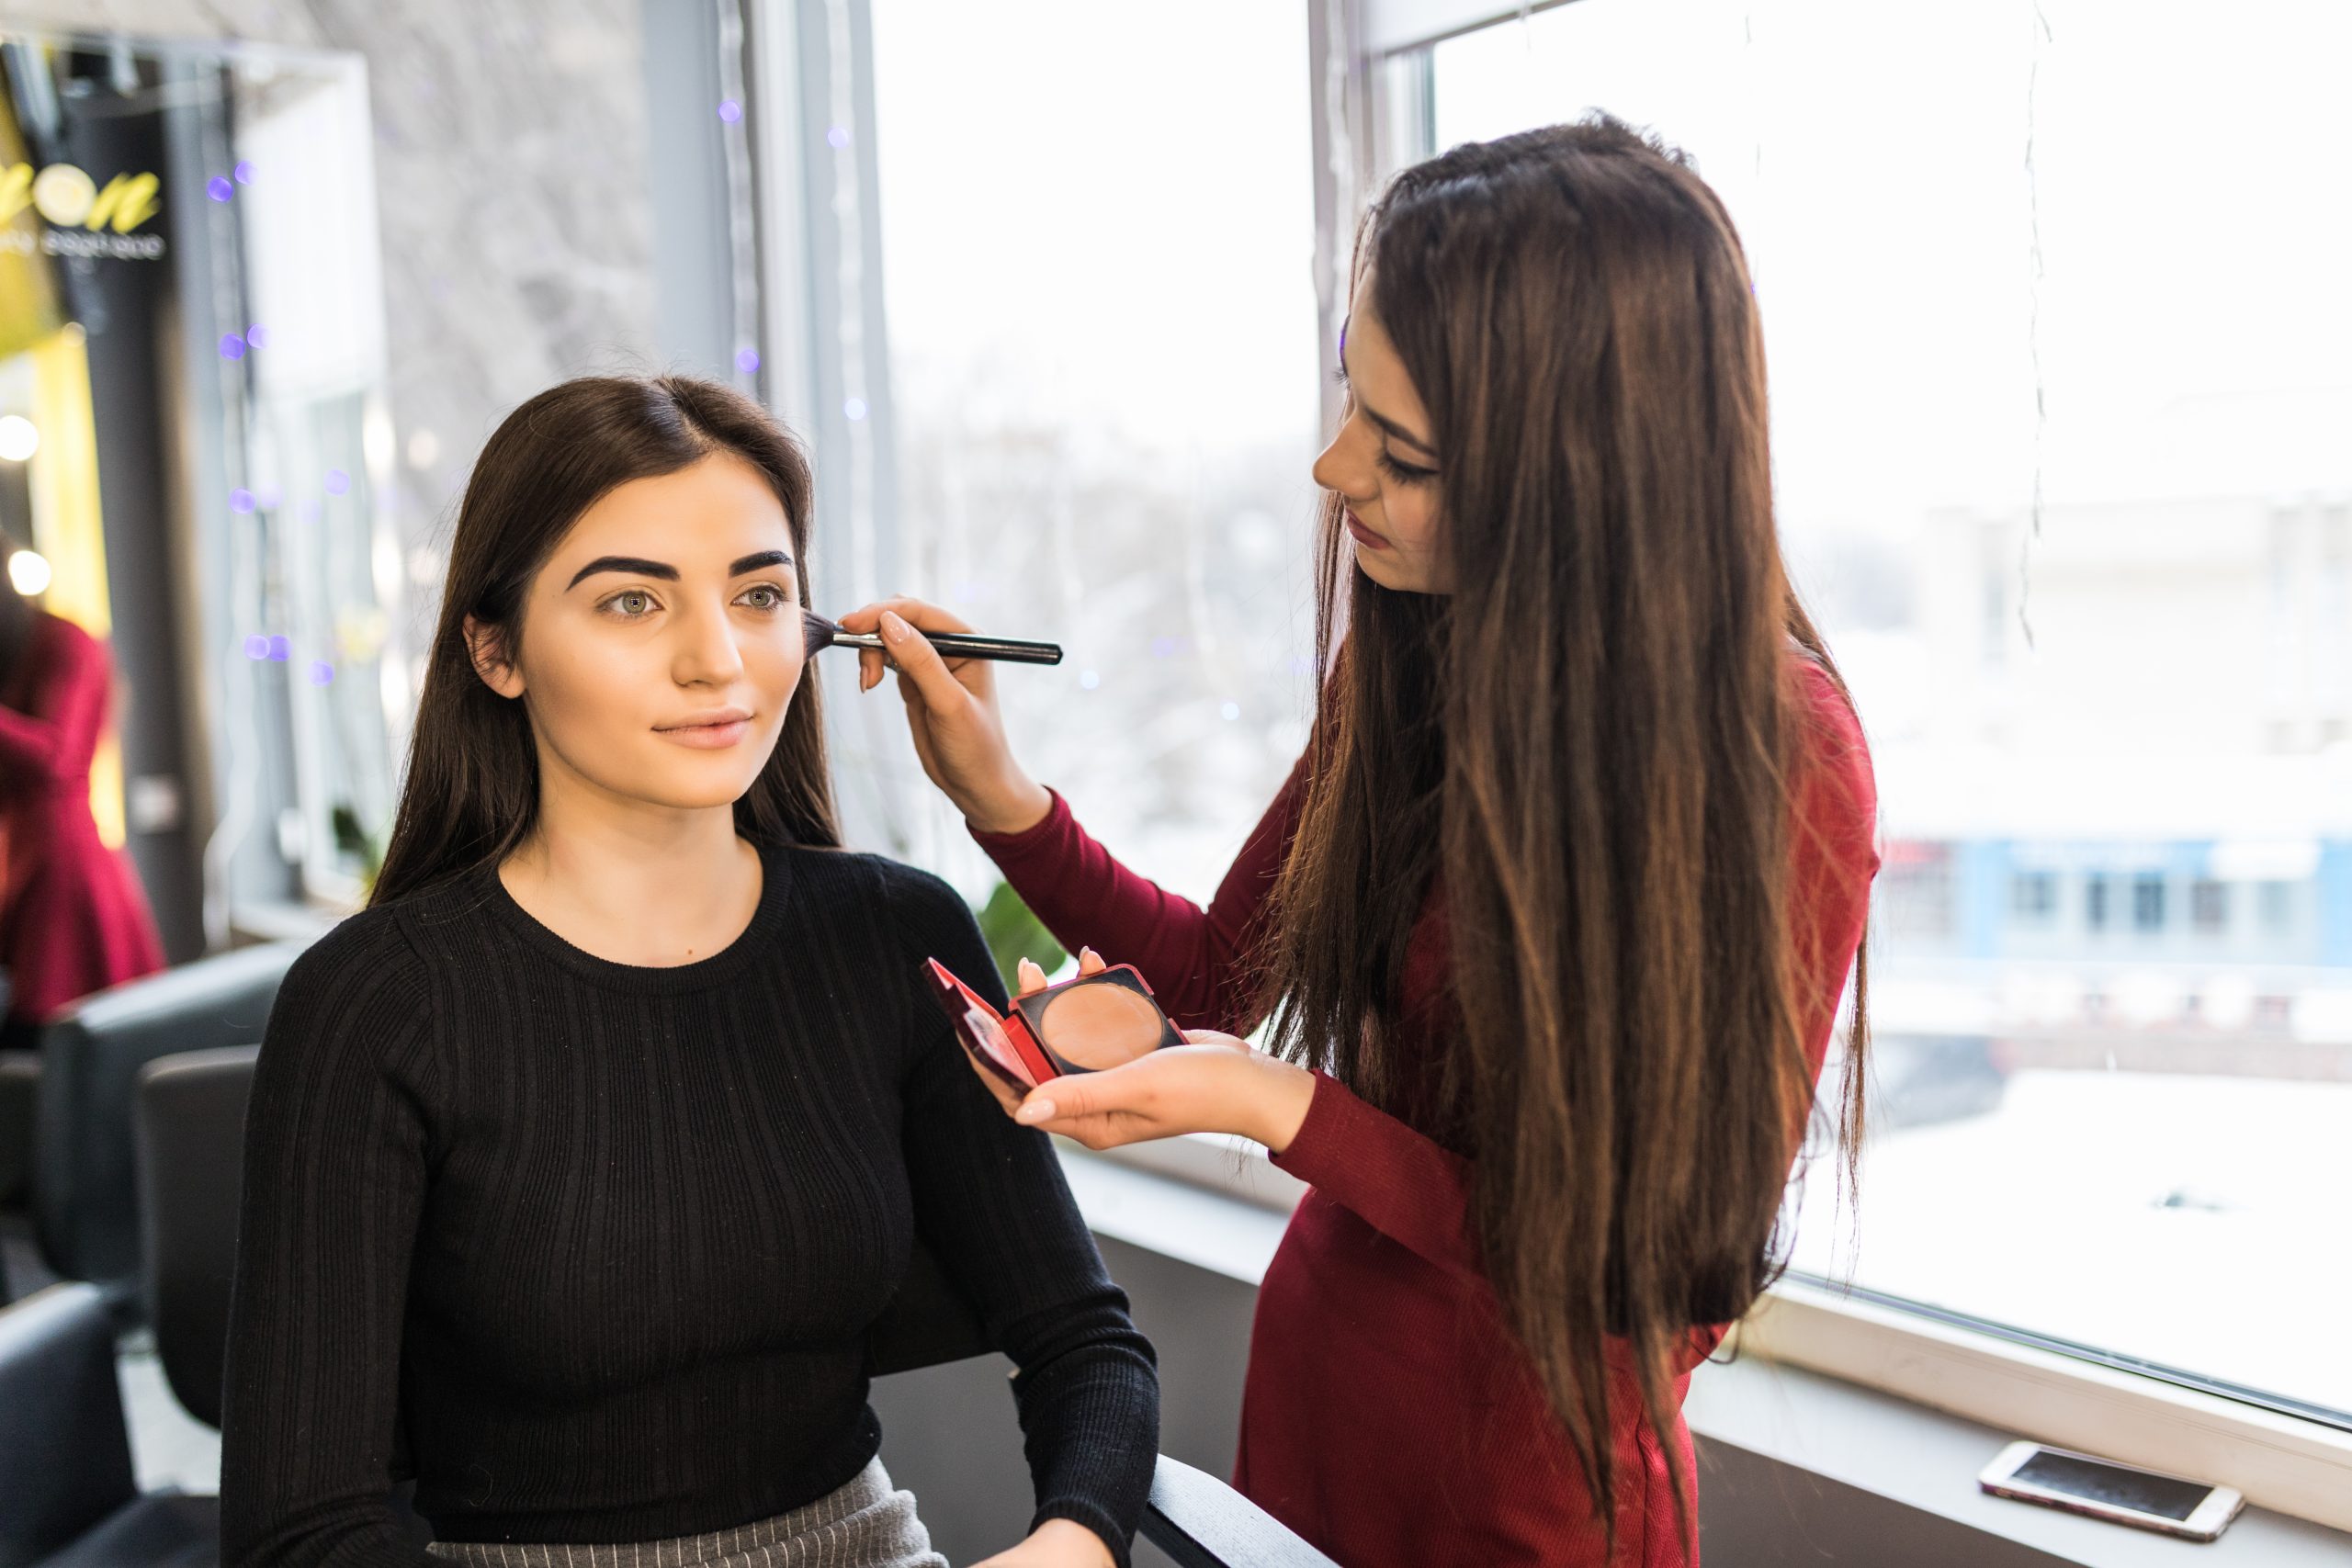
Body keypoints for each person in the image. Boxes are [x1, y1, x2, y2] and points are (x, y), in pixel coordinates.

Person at [836, 116, 1882, 1567]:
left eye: (1401, 452)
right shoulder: (1423, 653)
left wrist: (1283, 1110)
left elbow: (1658, 1280)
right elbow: (1209, 974)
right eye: (1349, 395)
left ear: (1576, 474)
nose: (1334, 470)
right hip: (1316, 1406)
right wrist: (999, 790)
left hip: (1530, 1496)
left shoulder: (1782, 760)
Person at [220, 377, 1158, 1568]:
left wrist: (1068, 1546)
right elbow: (302, 1534)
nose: (717, 660)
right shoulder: (379, 1004)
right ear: (495, 649)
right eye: (630, 601)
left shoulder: (891, 934)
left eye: (760, 593)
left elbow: (1087, 1340)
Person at [0, 570, 165, 1055]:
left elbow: (59, 757)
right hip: (23, 863)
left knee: (54, 1043)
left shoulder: (67, 644)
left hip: (63, 867)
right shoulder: (16, 653)